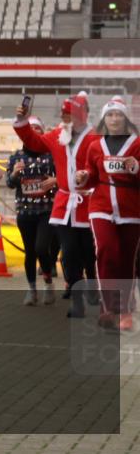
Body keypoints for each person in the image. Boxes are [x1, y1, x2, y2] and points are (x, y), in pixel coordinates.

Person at [14, 92, 101, 317]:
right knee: (69, 253)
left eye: (69, 114)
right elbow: (34, 141)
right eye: (63, 115)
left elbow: (100, 165)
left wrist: (88, 174)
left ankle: (93, 286)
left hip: (90, 203)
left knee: (90, 253)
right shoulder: (57, 136)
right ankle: (77, 297)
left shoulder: (95, 138)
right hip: (64, 205)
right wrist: (23, 121)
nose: (65, 118)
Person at [75, 96, 140, 332]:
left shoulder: (137, 144)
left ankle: (124, 310)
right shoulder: (95, 145)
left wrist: (136, 167)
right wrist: (82, 177)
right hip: (101, 206)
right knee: (107, 251)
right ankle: (107, 308)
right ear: (104, 117)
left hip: (131, 208)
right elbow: (91, 174)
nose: (114, 119)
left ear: (125, 118)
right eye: (110, 114)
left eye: (119, 115)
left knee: (126, 259)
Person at [5, 116, 59, 305]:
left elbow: (66, 178)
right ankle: (31, 290)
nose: (35, 131)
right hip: (25, 212)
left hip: (46, 210)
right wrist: (14, 173)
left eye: (38, 128)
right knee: (29, 252)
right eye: (31, 128)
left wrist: (56, 180)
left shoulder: (52, 155)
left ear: (43, 133)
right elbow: (10, 184)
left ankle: (48, 284)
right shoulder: (15, 157)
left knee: (41, 248)